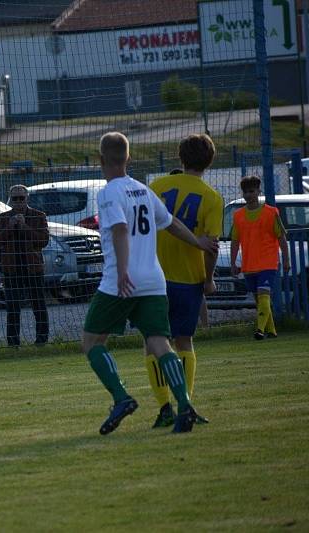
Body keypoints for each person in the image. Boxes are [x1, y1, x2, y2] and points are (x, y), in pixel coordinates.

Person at [82, 132, 219, 435]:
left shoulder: (108, 193)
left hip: (123, 279)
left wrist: (121, 273)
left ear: (100, 159)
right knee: (160, 343)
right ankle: (184, 405)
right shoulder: (142, 190)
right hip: (155, 280)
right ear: (128, 158)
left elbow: (119, 229)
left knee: (92, 341)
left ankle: (121, 397)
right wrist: (198, 242)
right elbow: (170, 222)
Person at [144, 134, 223, 428]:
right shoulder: (212, 197)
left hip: (152, 277)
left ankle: (164, 407)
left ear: (180, 157)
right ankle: (185, 403)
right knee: (184, 341)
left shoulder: (156, 187)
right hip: (187, 279)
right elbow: (211, 246)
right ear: (210, 160)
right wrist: (208, 279)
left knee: (152, 342)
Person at [230, 176, 290, 340]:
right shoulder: (238, 215)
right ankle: (272, 331)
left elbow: (281, 238)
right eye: (245, 192)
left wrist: (286, 259)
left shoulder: (271, 212)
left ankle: (259, 330)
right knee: (260, 300)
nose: (248, 195)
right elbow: (235, 241)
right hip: (249, 264)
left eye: (251, 191)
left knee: (264, 295)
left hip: (268, 262)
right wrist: (233, 262)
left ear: (258, 191)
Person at [0, 184, 50, 347]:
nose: (18, 202)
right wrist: (9, 227)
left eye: (21, 198)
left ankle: (42, 340)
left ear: (27, 199)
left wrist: (24, 226)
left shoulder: (38, 216)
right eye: (14, 199)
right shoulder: (3, 218)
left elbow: (43, 241)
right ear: (10, 200)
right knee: (13, 308)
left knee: (38, 305)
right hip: (12, 269)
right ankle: (13, 343)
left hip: (33, 268)